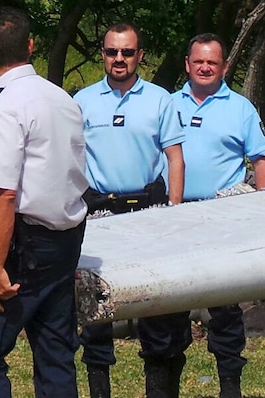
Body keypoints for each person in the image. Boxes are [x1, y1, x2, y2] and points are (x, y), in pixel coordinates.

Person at [0, 7, 88, 397]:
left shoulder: (2, 106)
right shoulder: (62, 98)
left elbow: (2, 194)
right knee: (55, 351)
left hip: (24, 245)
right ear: (30, 45)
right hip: (65, 239)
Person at [73, 22, 186, 398]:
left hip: (149, 212)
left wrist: (174, 208)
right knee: (96, 314)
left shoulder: (159, 99)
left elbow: (175, 157)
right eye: (111, 52)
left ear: (139, 55)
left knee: (154, 310)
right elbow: (69, 158)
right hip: (100, 215)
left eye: (127, 52)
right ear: (102, 54)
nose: (118, 59)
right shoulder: (83, 101)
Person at [173, 33, 265, 398]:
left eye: (212, 63)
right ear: (187, 64)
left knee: (225, 309)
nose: (204, 67)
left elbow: (262, 158)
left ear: (224, 67)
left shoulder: (241, 108)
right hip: (176, 215)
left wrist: (263, 211)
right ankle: (165, 383)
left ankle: (229, 384)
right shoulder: (168, 105)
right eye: (198, 61)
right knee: (171, 303)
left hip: (223, 215)